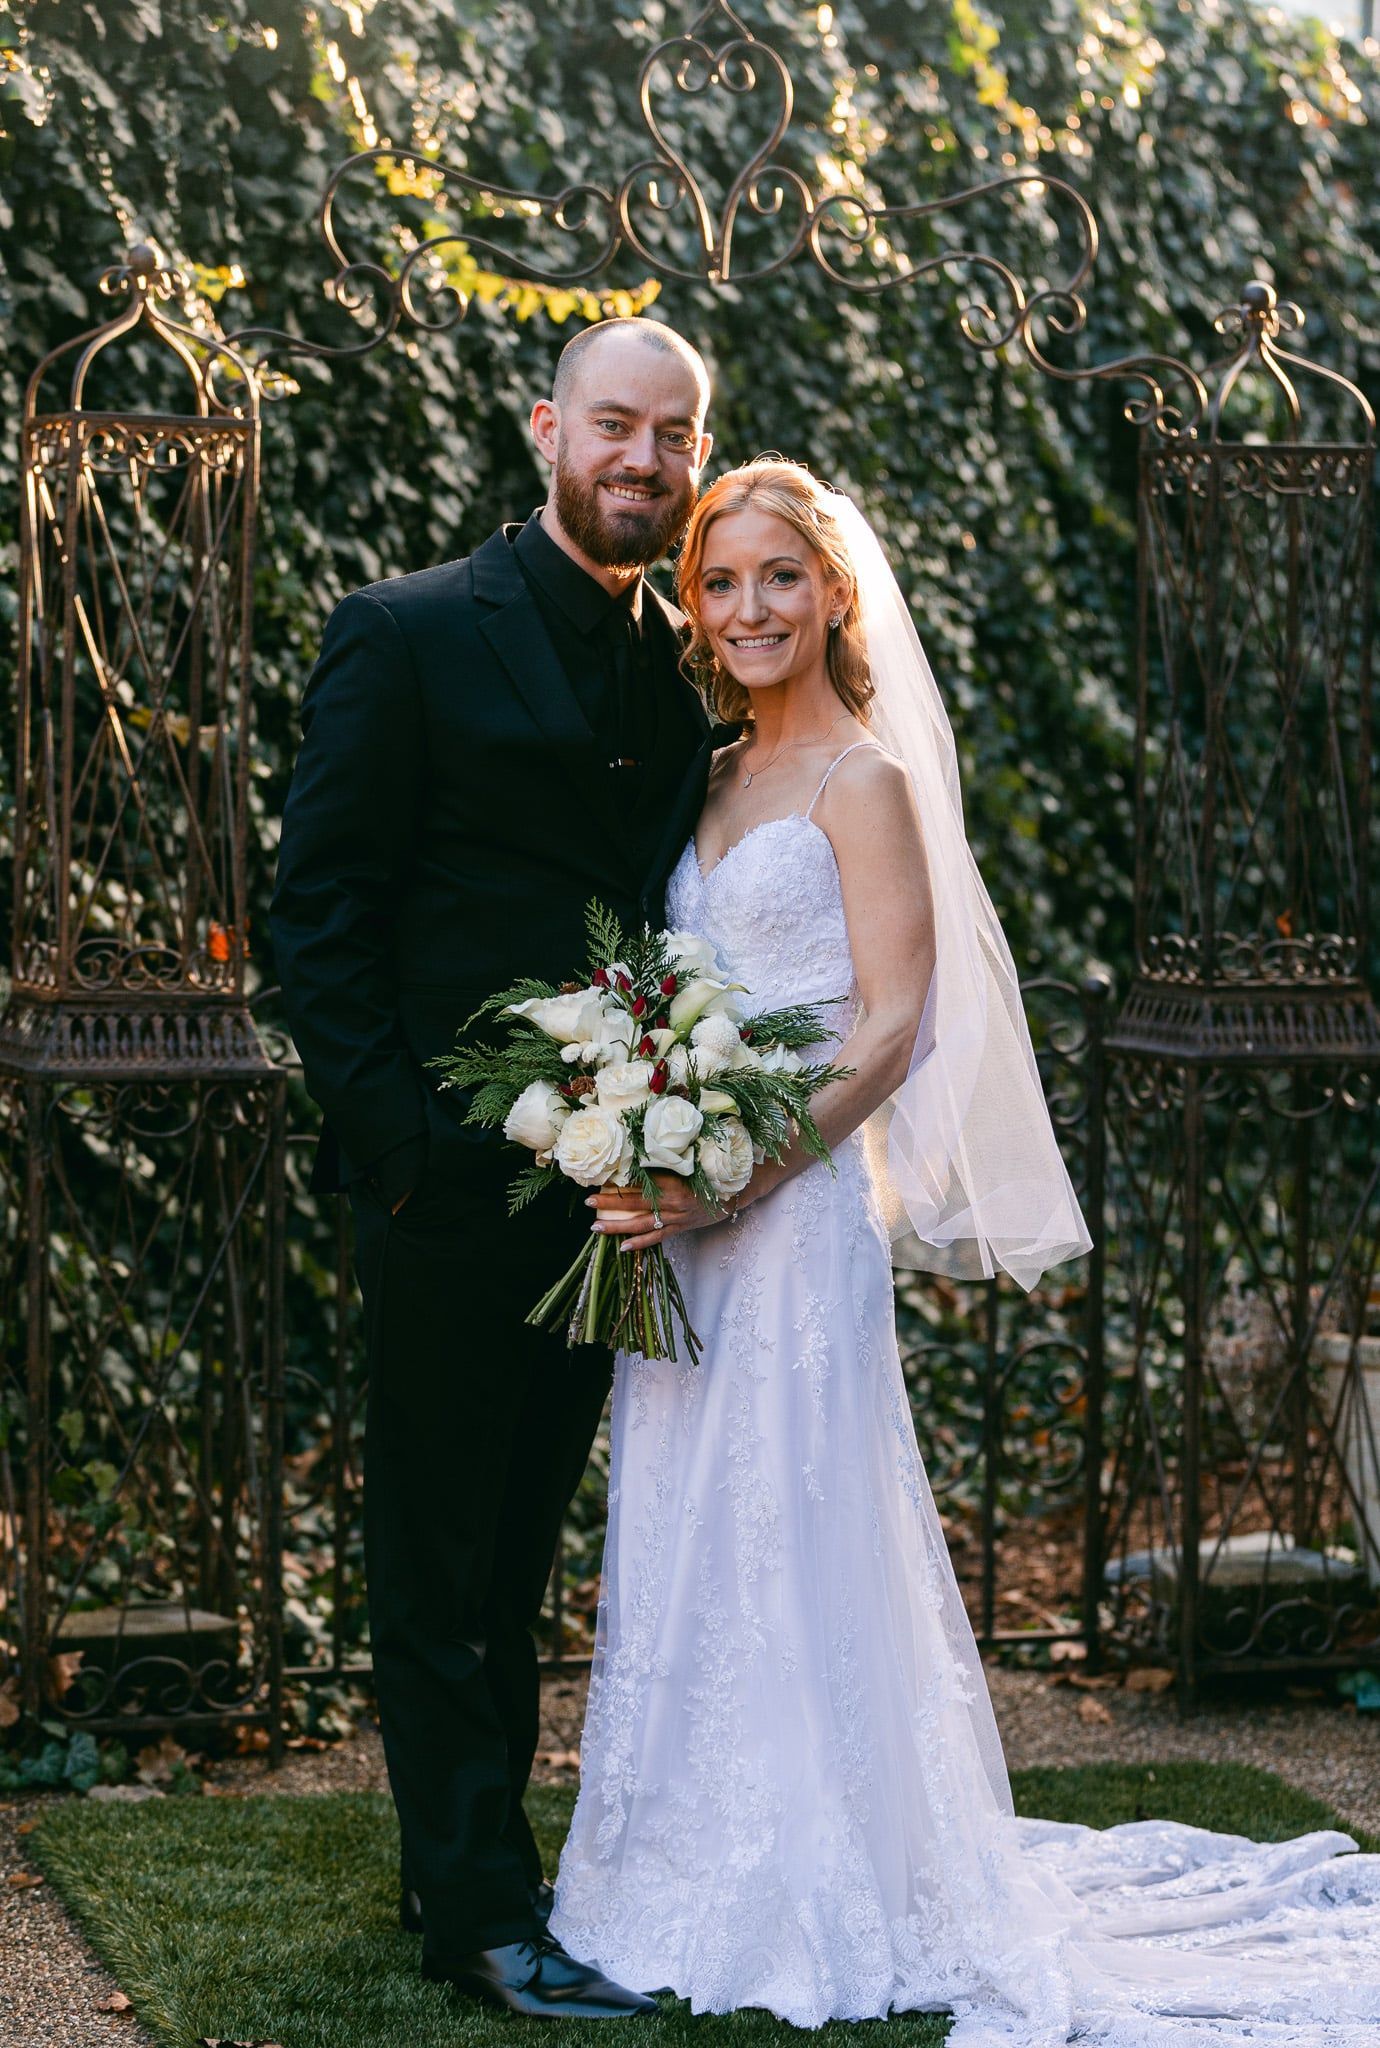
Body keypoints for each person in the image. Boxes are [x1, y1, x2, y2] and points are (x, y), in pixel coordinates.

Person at [551, 459, 1380, 2043]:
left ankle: (821, 1877)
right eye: (720, 584)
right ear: (695, 605)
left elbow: (890, 1024)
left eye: (778, 578)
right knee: (688, 1528)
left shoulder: (864, 782)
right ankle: (664, 1864)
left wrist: (737, 1171)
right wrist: (646, 1127)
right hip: (684, 1217)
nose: (747, 610)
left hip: (787, 1227)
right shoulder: (710, 778)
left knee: (797, 1537)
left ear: (834, 591)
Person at [269, 319, 721, 2019]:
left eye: (674, 438)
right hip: (452, 1196)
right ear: (550, 429)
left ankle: (450, 1862)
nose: (646, 460)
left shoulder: (692, 658)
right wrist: (405, 1158)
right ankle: (480, 1917)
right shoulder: (403, 633)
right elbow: (319, 916)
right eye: (618, 424)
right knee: (437, 1563)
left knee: (519, 1551)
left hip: (613, 1200)